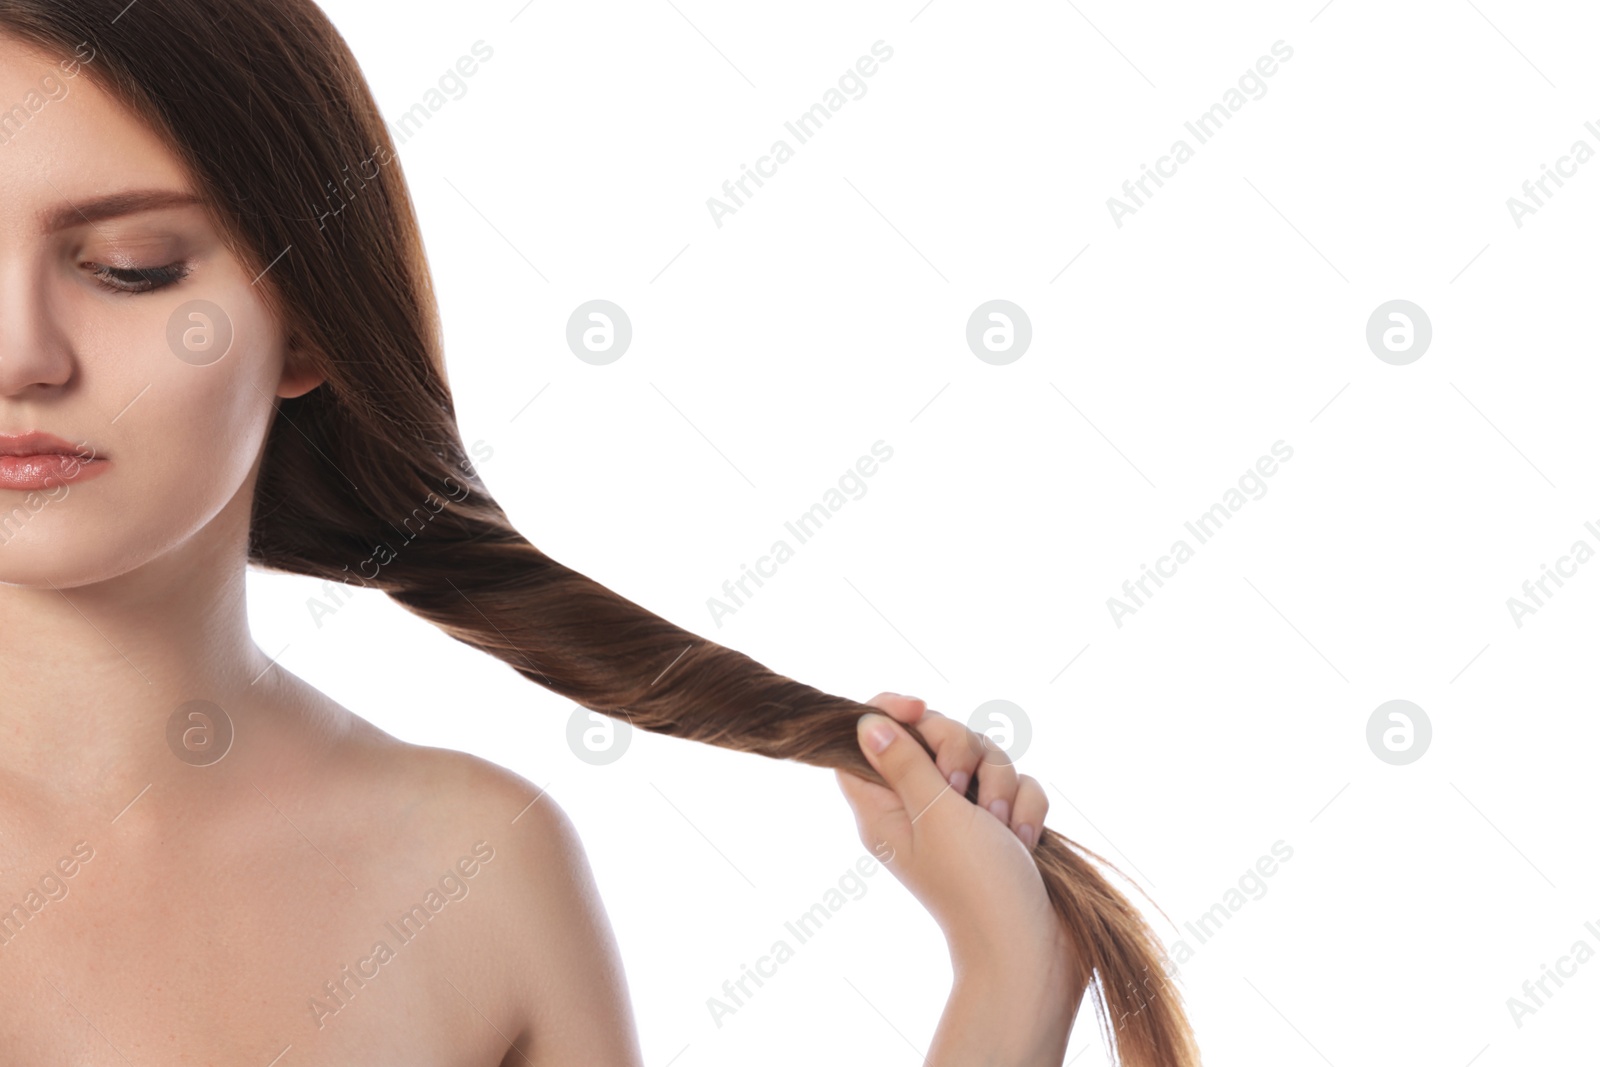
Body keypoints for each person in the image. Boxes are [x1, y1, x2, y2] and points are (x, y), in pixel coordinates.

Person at [0, 3, 1198, 1064]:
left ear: (306, 321)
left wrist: (1008, 986)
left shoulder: (472, 872)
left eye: (130, 266)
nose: (21, 355)